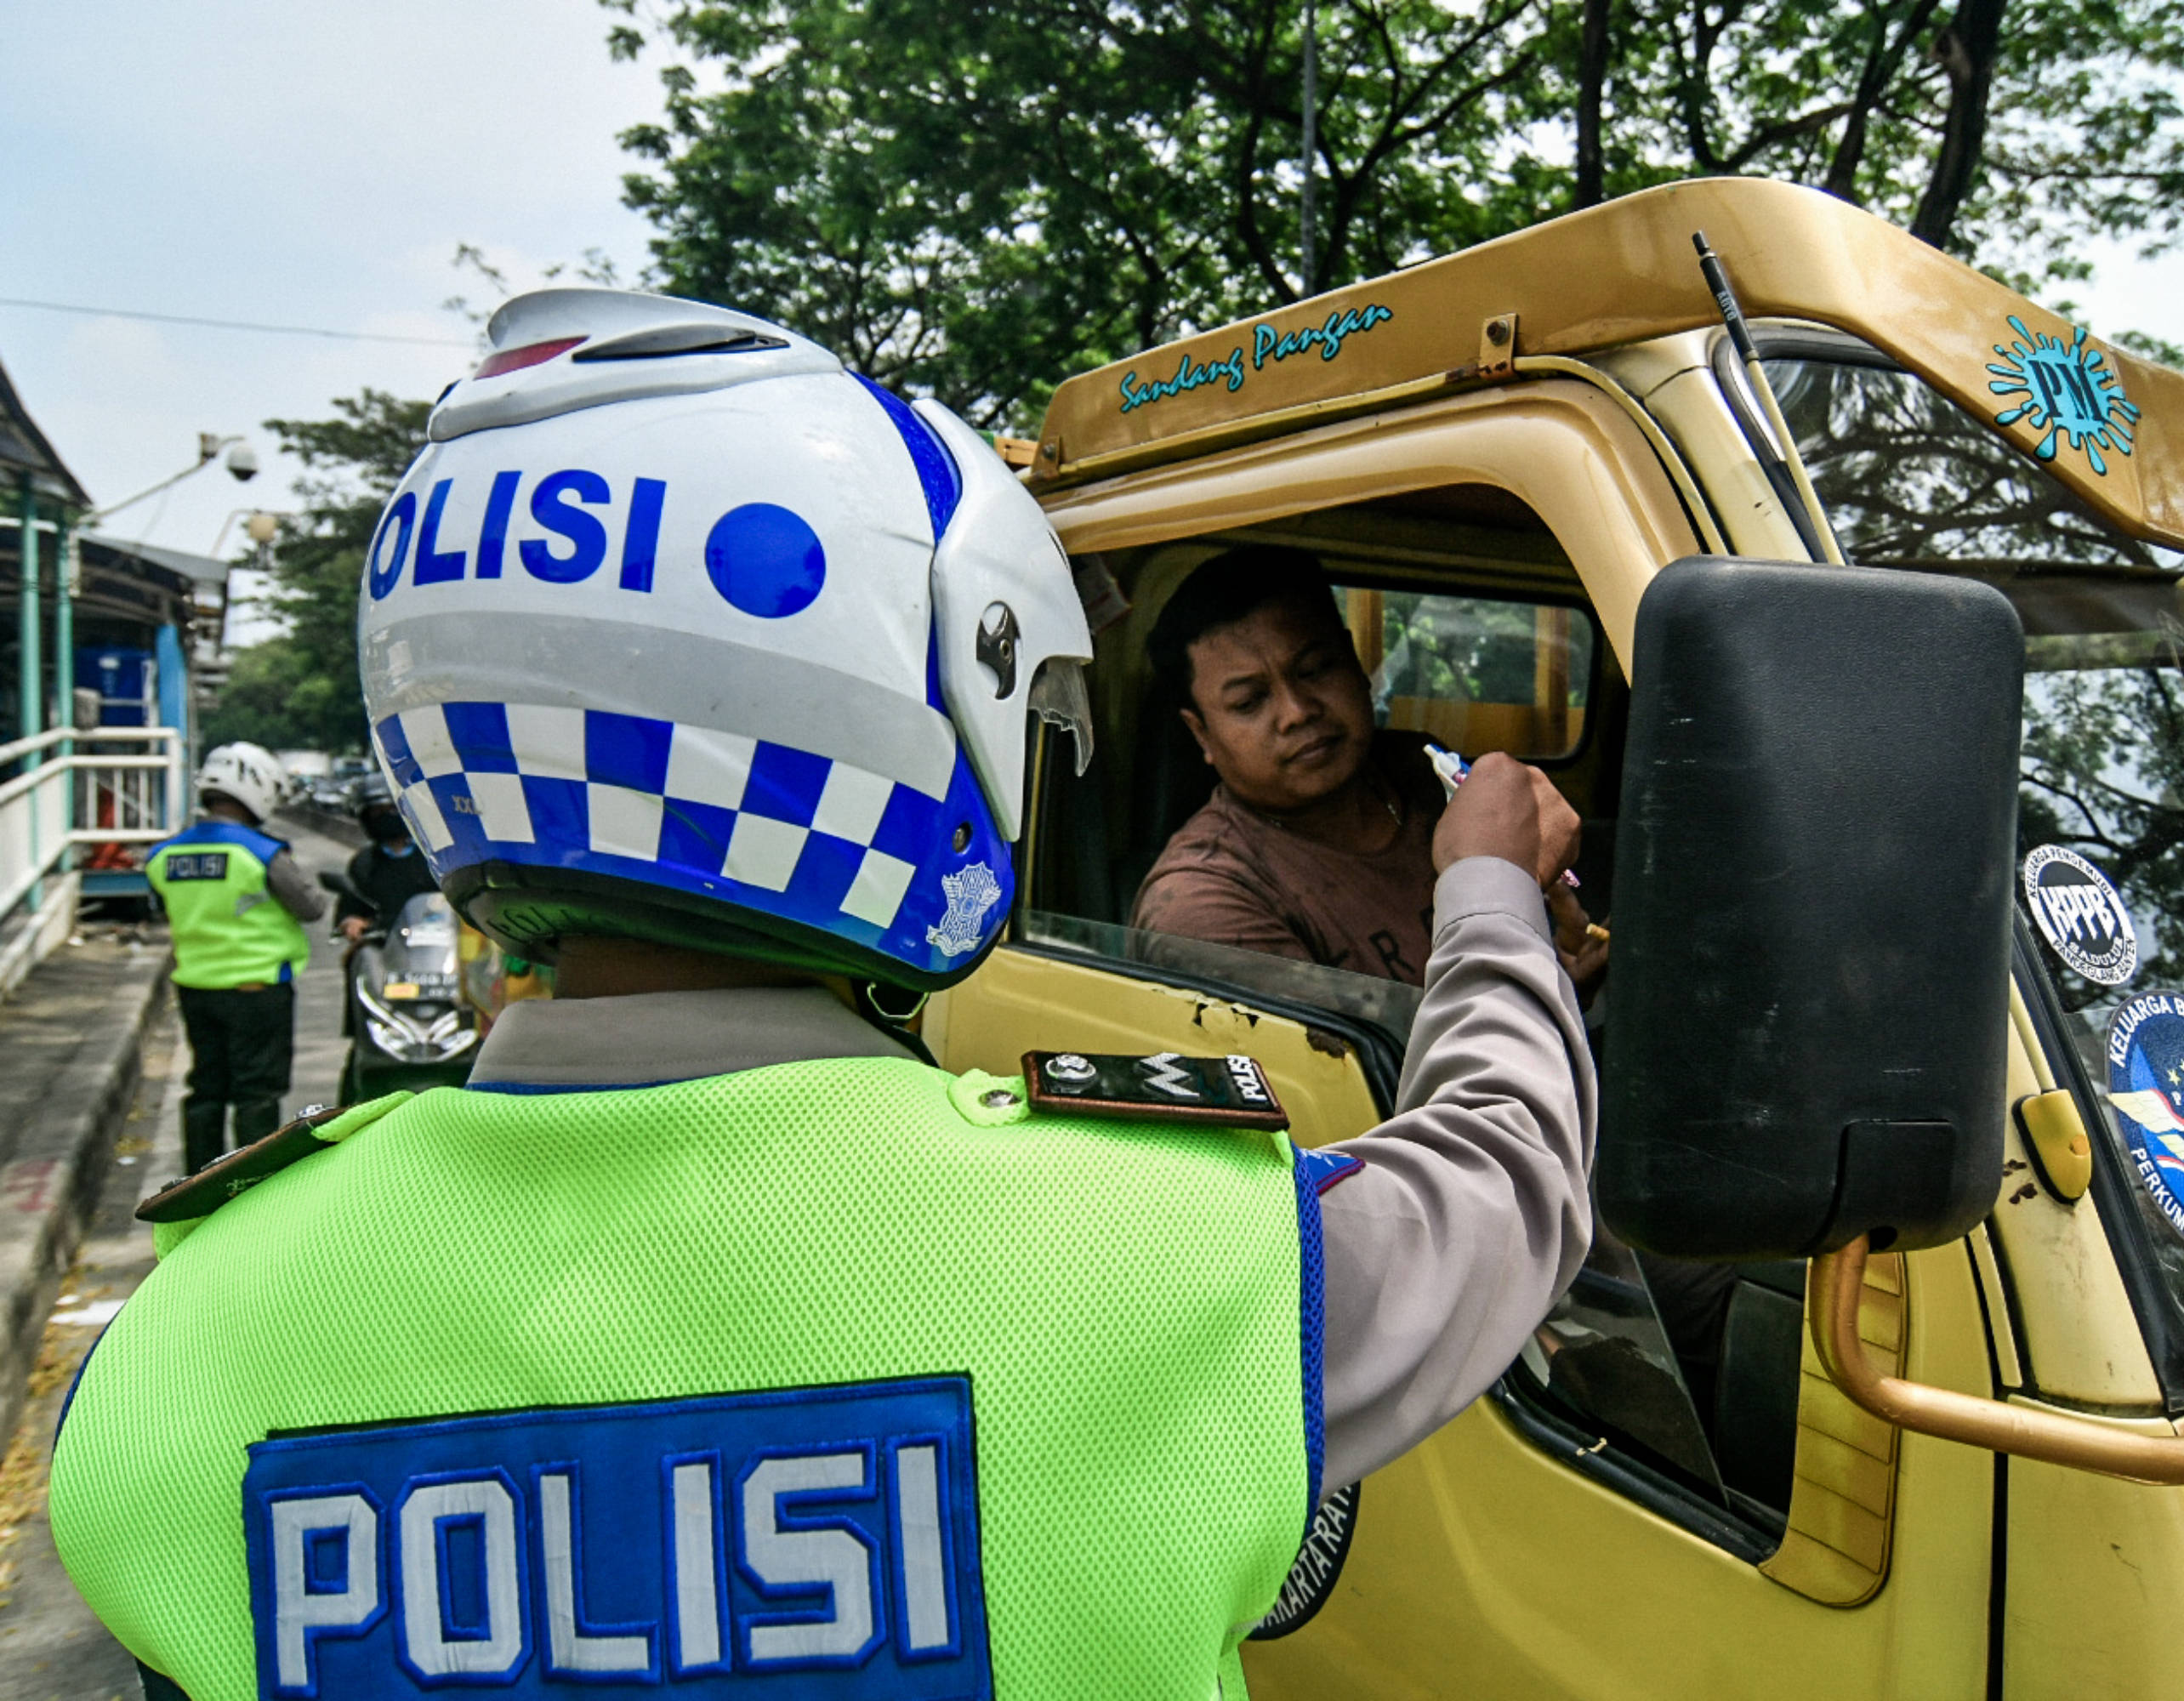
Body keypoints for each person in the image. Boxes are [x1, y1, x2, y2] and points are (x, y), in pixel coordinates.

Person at [50, 288, 1596, 1701]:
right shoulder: (1178, 1260)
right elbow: (1508, 1174)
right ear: (910, 704)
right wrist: (1492, 893)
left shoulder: (172, 1353)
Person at [1134, 545, 1608, 988]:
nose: (1297, 711)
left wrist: (1564, 978)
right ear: (1202, 734)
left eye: (1317, 668)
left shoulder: (1423, 771)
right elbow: (1339, 1077)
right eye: (1250, 701)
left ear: (1355, 662)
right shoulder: (1204, 902)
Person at [143, 742, 327, 1173]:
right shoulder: (262, 853)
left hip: (196, 989)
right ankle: (254, 1189)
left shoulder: (164, 855)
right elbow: (312, 908)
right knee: (256, 1092)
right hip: (257, 990)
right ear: (257, 789)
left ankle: (199, 1187)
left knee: (206, 1088)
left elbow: (162, 906)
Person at [332, 772, 438, 943]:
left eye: (393, 810)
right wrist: (351, 922)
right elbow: (349, 906)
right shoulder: (364, 863)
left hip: (433, 944)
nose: (387, 816)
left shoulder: (435, 859)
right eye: (378, 812)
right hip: (381, 946)